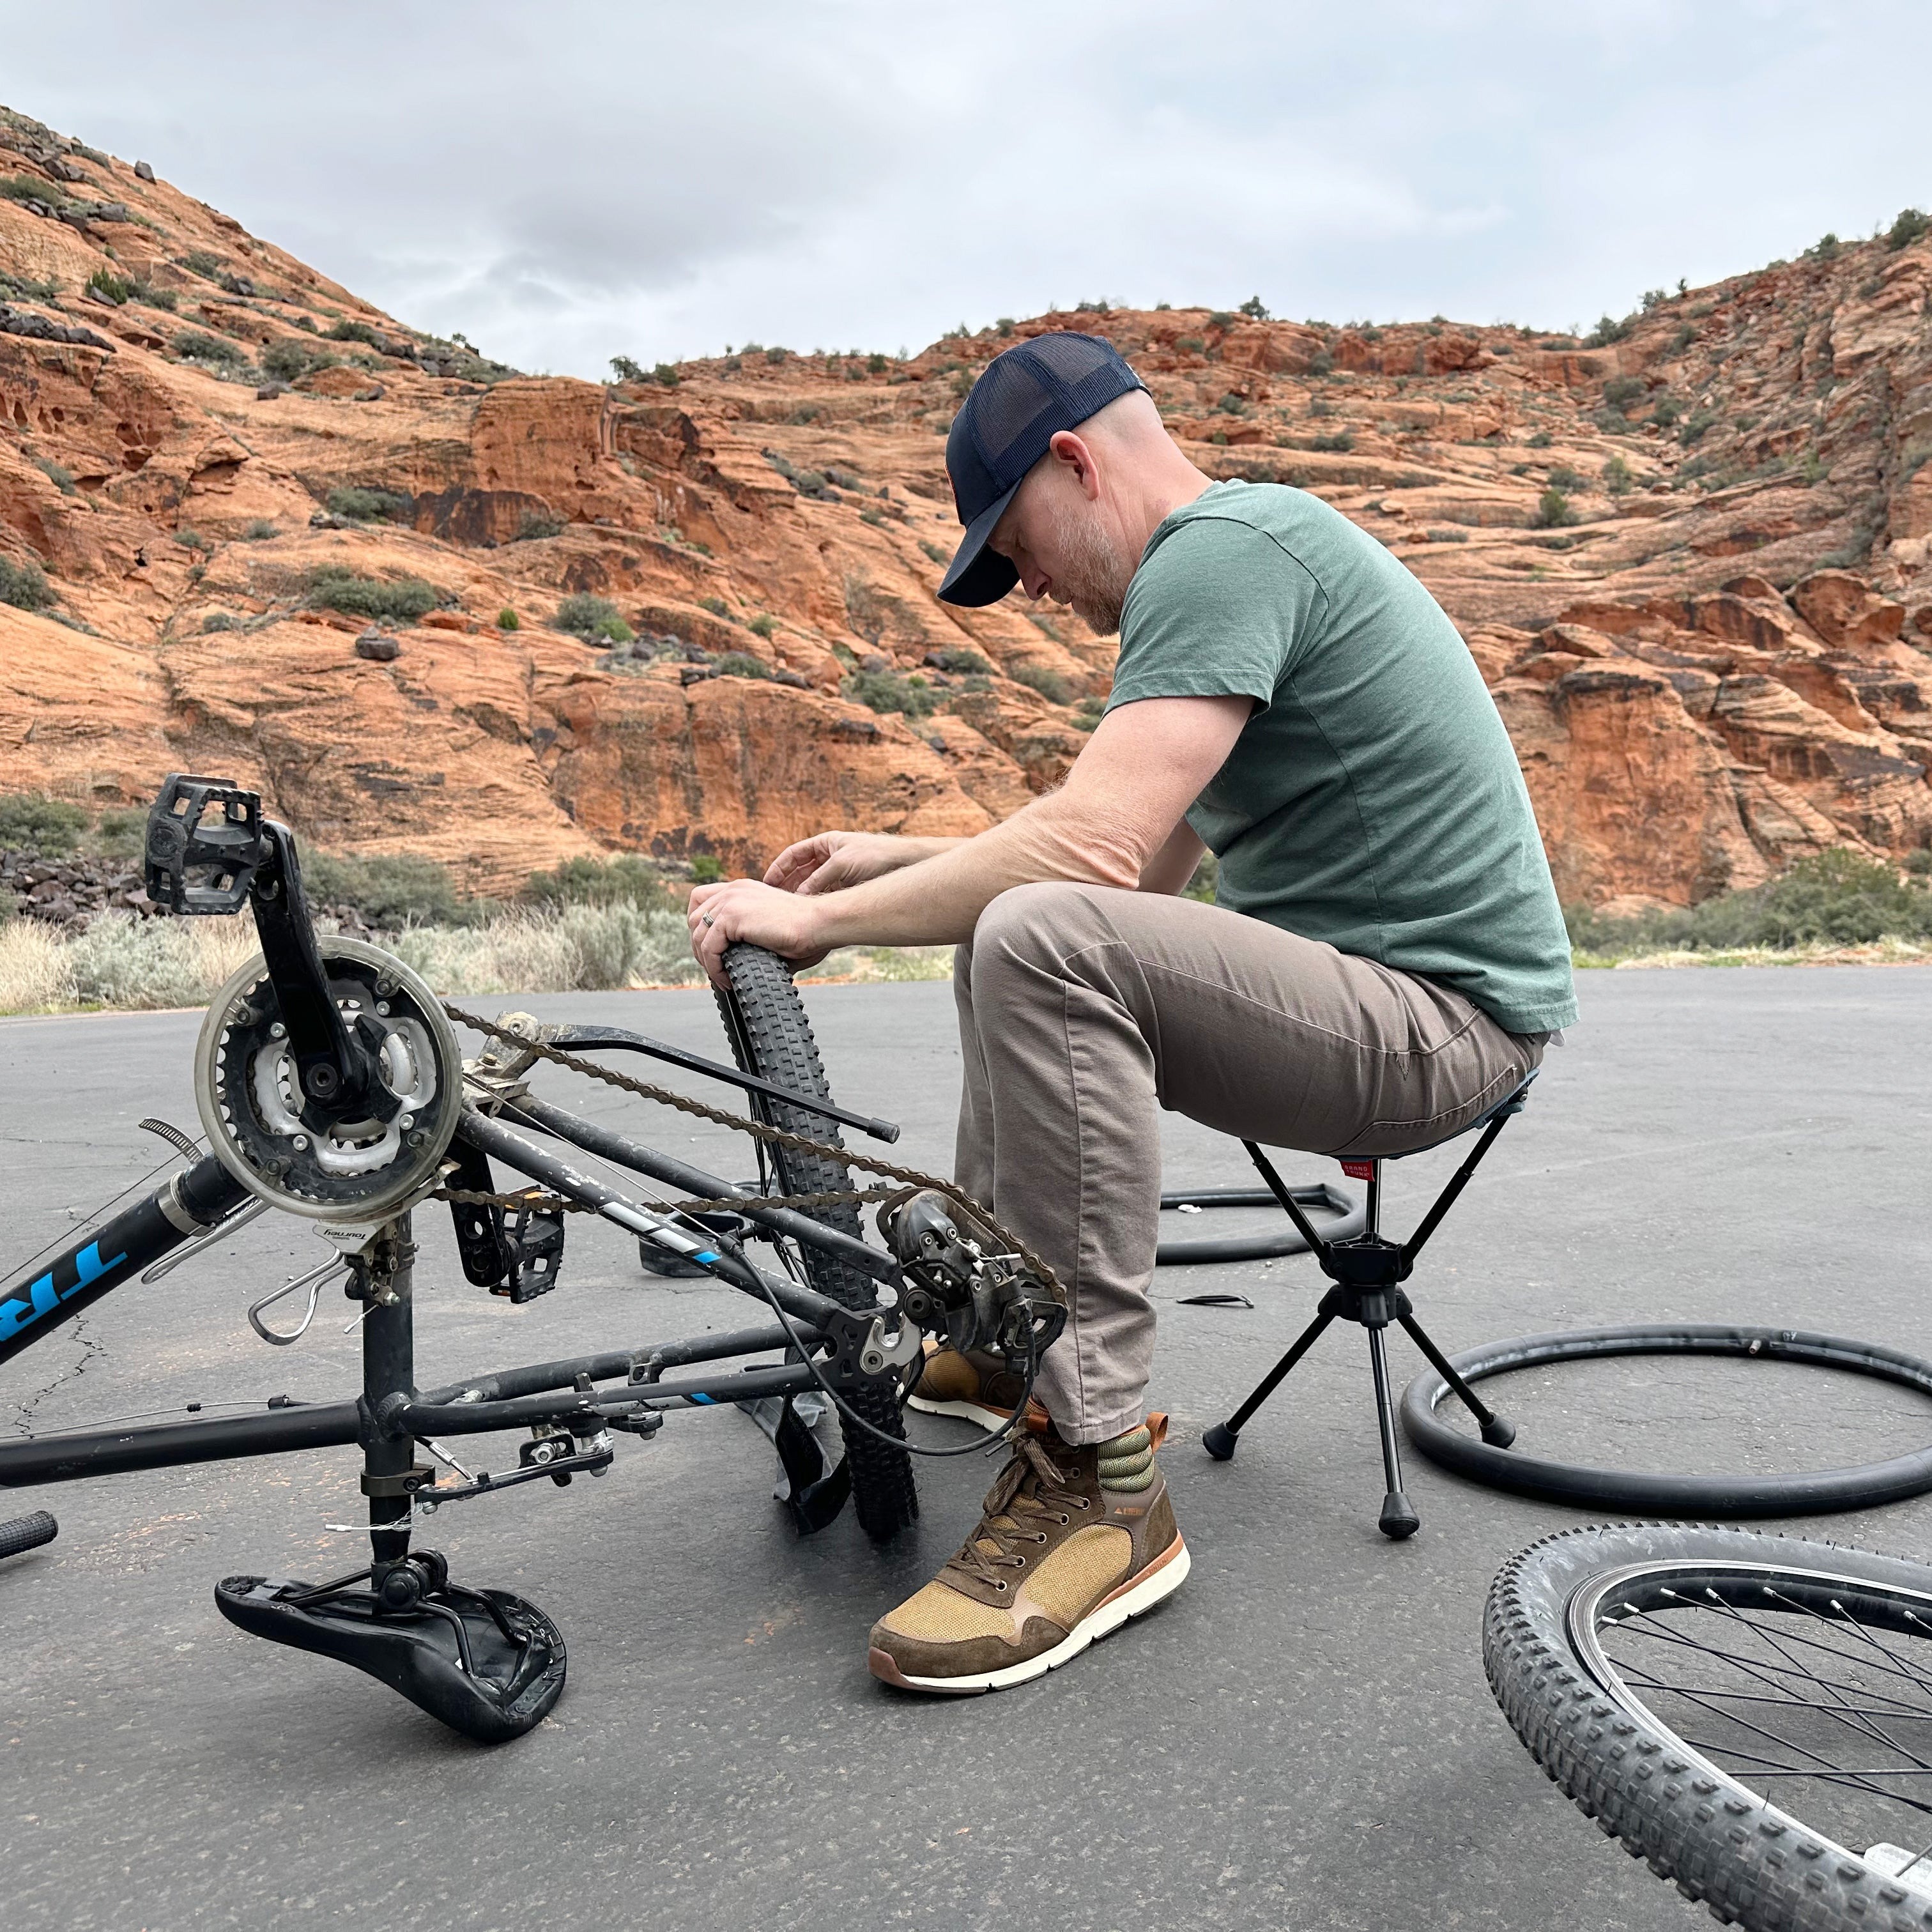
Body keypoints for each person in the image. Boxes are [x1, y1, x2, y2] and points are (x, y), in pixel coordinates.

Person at [687, 330, 1577, 1694]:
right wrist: (898, 864)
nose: (1034, 588)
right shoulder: (1240, 563)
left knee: (1037, 936)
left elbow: (1089, 864)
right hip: (1382, 1006)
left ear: (1075, 461)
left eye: (1019, 546)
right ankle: (1001, 1344)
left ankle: (1100, 1483)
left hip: (1440, 1024)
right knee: (1019, 932)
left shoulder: (1222, 554)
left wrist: (815, 925)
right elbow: (1139, 872)